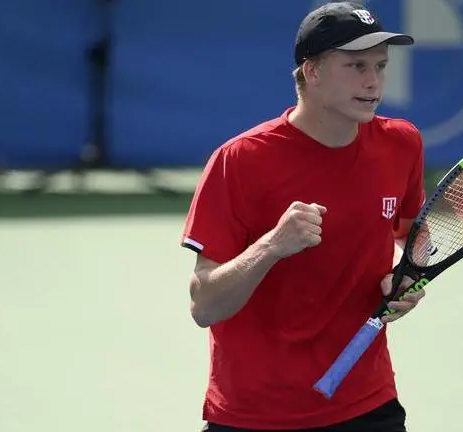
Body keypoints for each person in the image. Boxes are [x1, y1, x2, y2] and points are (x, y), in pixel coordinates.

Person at [180, 2, 426, 431]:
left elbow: (413, 235)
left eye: (380, 66)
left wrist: (408, 277)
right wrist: (272, 246)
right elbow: (204, 306)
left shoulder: (401, 144)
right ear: (312, 72)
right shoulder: (239, 161)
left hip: (366, 404)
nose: (374, 82)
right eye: (356, 66)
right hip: (255, 414)